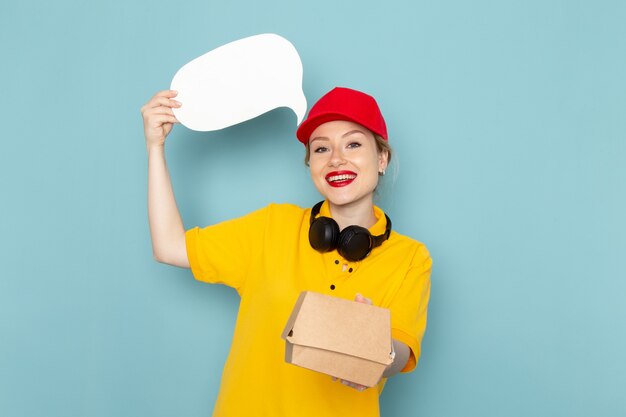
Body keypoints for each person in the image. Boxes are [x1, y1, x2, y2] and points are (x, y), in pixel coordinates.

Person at [140, 86, 432, 417]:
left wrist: (370, 346)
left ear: (382, 159)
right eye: (321, 149)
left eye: (353, 144)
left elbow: (401, 351)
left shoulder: (411, 258)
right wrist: (155, 147)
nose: (336, 158)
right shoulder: (272, 226)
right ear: (311, 164)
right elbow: (169, 247)